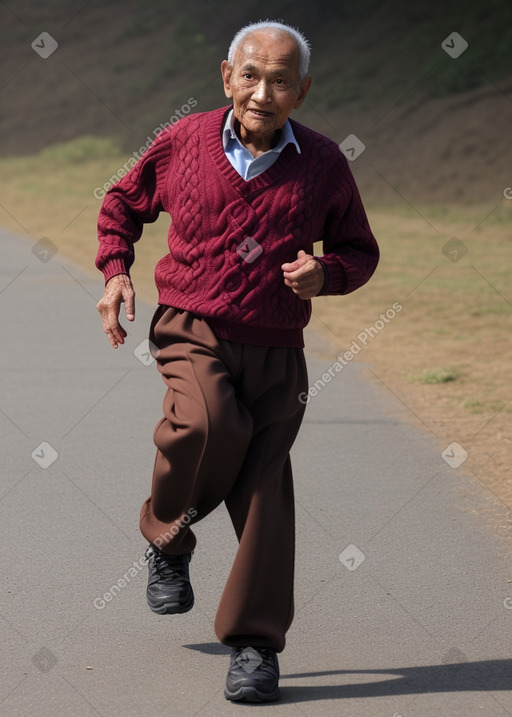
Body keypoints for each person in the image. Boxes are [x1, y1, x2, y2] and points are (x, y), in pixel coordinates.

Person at [95, 19, 379, 703]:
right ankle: (168, 536)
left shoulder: (322, 163)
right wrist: (115, 270)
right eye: (251, 75)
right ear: (227, 76)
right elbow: (122, 203)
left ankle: (255, 645)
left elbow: (358, 250)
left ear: (301, 91)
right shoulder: (184, 141)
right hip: (194, 325)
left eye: (281, 79)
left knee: (264, 492)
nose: (263, 91)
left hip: (279, 345)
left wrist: (326, 273)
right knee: (207, 423)